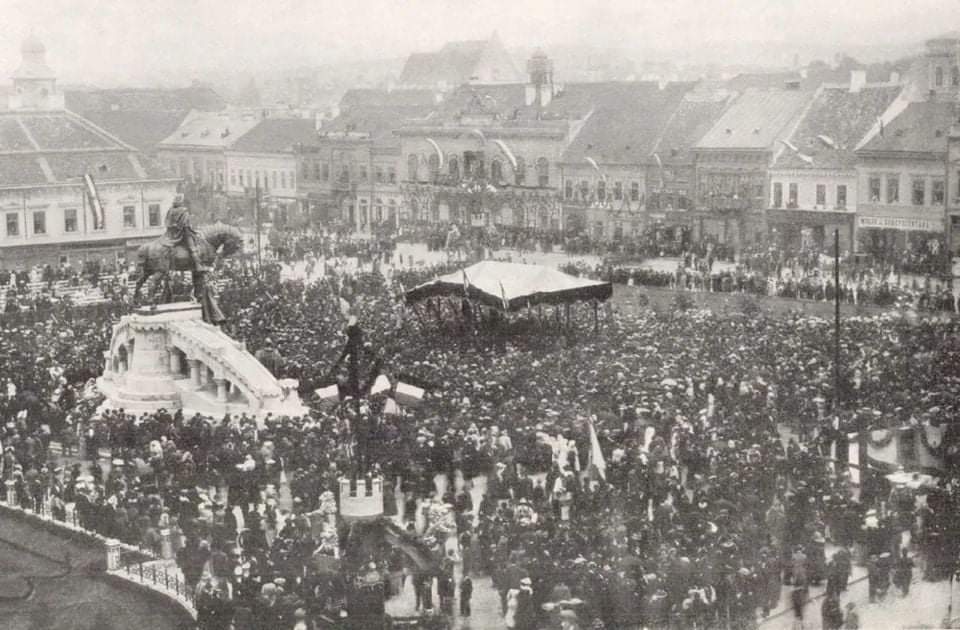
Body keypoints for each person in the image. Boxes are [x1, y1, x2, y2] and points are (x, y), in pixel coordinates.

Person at [163, 198, 209, 273]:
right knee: (192, 247)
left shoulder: (170, 211)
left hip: (170, 234)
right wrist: (193, 232)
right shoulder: (184, 211)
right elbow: (185, 225)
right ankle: (198, 265)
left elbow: (166, 222)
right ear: (181, 203)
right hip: (182, 233)